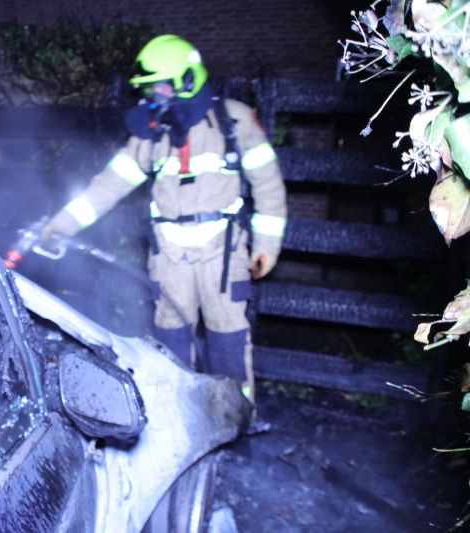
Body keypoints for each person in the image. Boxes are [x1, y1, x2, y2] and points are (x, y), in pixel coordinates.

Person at [39, 35, 287, 400]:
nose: (154, 94)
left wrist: (267, 245)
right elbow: (108, 185)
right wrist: (61, 224)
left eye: (162, 85)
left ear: (188, 79)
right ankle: (179, 411)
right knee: (170, 336)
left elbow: (268, 184)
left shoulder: (233, 121)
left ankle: (238, 415)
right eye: (150, 87)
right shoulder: (151, 136)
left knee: (227, 336)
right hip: (170, 255)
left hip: (222, 252)